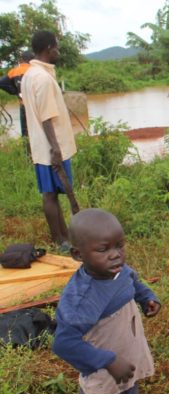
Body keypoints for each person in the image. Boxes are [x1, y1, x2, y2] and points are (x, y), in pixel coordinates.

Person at [52, 208, 161, 394]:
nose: (115, 254)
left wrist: (146, 297)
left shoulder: (119, 270)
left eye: (119, 245)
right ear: (78, 254)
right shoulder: (82, 299)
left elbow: (132, 281)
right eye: (103, 249)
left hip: (125, 367)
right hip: (106, 381)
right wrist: (109, 361)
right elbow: (63, 343)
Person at [21, 31, 77, 250]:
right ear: (48, 48)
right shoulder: (43, 78)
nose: (59, 51)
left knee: (50, 194)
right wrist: (55, 149)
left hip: (40, 147)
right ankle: (61, 240)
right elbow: (46, 117)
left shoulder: (29, 75)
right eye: (57, 47)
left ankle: (63, 236)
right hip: (52, 148)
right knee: (50, 195)